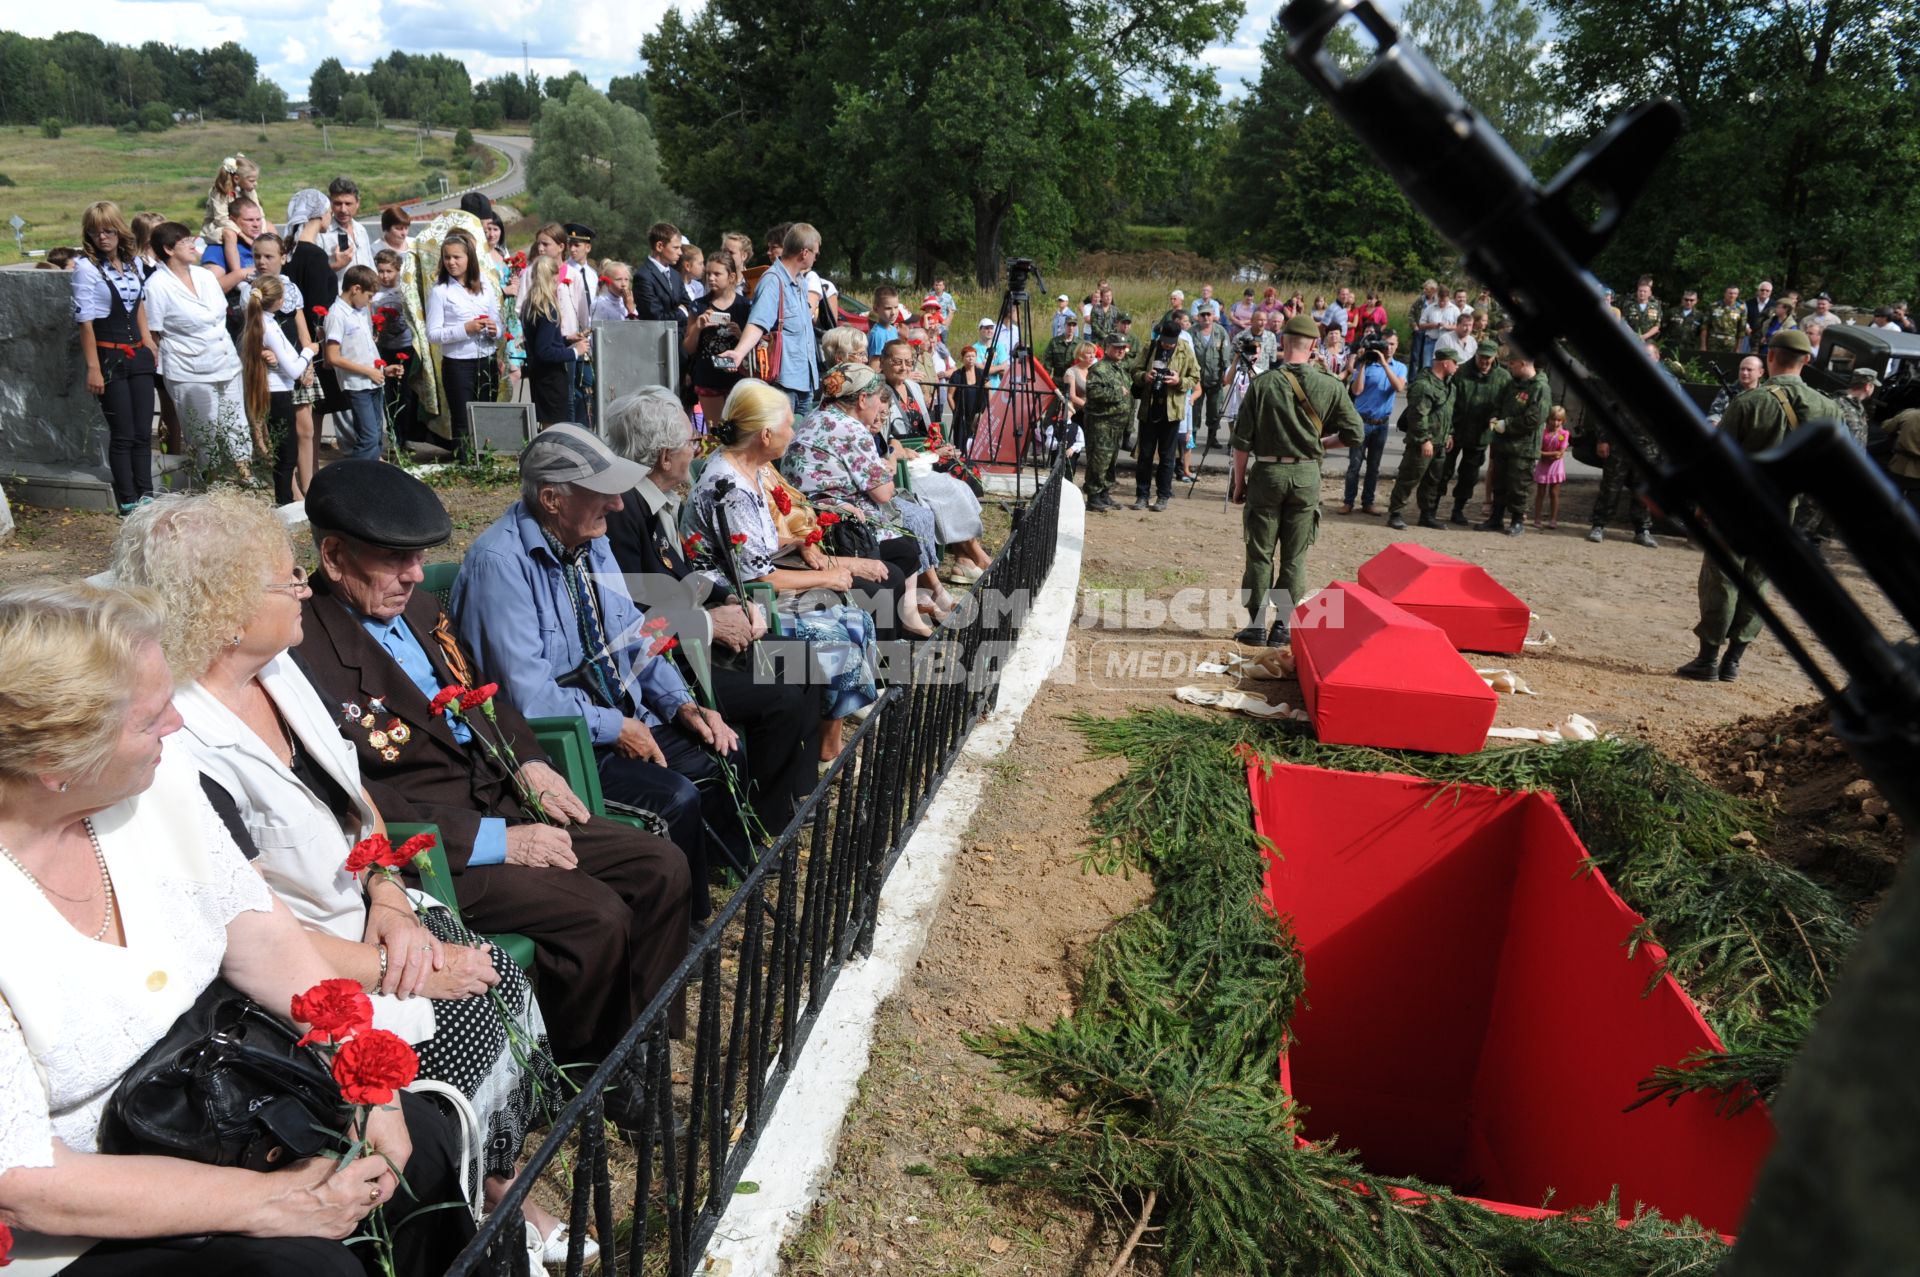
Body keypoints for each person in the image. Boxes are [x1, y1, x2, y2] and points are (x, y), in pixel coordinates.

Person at [109, 492, 585, 1264]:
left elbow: (358, 795)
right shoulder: (182, 742)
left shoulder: (278, 672)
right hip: (307, 972)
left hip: (370, 913)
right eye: (285, 579)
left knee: (502, 988)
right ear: (225, 611)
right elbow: (252, 931)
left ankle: (495, 1188)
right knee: (472, 1020)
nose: (304, 588)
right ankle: (467, 1210)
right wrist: (406, 964)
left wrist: (393, 896)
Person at [0, 582, 473, 1277]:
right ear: (56, 764)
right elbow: (22, 1181)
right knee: (304, 1268)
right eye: (152, 716)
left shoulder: (158, 788)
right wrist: (271, 1201)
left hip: (223, 1095)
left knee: (420, 1145)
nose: (177, 727)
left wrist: (367, 1086)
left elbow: (272, 946)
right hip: (85, 1216)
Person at [293, 461, 692, 1066]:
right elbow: (354, 794)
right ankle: (592, 1070)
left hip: (505, 794)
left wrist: (530, 761)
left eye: (420, 557)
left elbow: (487, 695)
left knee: (661, 865)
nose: (415, 575)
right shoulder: (306, 653)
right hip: (439, 847)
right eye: (394, 560)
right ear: (334, 557)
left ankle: (643, 1032)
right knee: (597, 915)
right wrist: (498, 840)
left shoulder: (421, 610)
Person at [455, 427, 751, 920]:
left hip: (614, 714)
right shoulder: (499, 564)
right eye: (603, 493)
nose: (617, 505)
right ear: (552, 499)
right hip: (562, 744)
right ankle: (689, 924)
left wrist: (681, 702)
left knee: (723, 749)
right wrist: (618, 728)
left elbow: (635, 635)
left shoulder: (590, 542)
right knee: (673, 797)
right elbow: (526, 698)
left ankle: (723, 883)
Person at [601, 388, 820, 826]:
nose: (698, 449)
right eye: (690, 442)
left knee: (806, 664)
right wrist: (707, 622)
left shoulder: (655, 502)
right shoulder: (622, 512)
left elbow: (680, 576)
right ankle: (763, 823)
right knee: (778, 700)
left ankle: (796, 796)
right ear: (665, 457)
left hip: (689, 646)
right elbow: (627, 616)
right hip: (667, 668)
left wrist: (730, 599)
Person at [687, 379, 882, 761]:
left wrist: (803, 544)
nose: (793, 432)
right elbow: (756, 577)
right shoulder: (729, 486)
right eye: (788, 425)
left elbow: (762, 546)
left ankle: (827, 740)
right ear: (764, 434)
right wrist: (827, 576)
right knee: (836, 638)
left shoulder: (755, 472)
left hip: (756, 590)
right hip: (741, 605)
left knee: (859, 621)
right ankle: (826, 751)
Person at [1677, 328, 1842, 682]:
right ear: (1807, 361)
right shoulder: (1827, 407)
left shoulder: (1749, 402)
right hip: (1786, 510)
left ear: (1769, 357)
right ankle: (1734, 660)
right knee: (1760, 583)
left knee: (1722, 579)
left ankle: (1707, 659)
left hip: (1735, 506)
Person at [1230, 313, 1363, 647]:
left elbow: (1241, 442)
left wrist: (1238, 484)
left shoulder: (1263, 384)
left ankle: (1257, 625)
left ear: (1284, 343)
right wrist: (1322, 444)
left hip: (1268, 474)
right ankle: (1283, 627)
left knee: (1260, 552)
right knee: (1295, 554)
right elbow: (1354, 434)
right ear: (1314, 345)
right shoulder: (1330, 384)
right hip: (1305, 474)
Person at [783, 363, 939, 638]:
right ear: (862, 399)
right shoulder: (850, 428)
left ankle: (903, 619)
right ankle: (891, 629)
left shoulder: (816, 417)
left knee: (904, 547)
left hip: (808, 517)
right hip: (835, 526)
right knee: (904, 549)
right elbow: (882, 492)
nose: (881, 405)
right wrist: (887, 467)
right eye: (879, 397)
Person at [876, 339, 994, 578]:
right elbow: (882, 439)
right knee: (951, 490)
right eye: (897, 362)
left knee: (963, 480)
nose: (903, 367)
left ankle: (963, 558)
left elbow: (929, 427)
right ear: (884, 361)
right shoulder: (879, 391)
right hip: (902, 465)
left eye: (909, 362)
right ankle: (977, 555)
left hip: (925, 459)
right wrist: (927, 451)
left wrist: (940, 446)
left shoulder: (914, 387)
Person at [142, 220, 250, 477]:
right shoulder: (156, 286)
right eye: (185, 242)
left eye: (191, 240)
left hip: (225, 360)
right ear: (169, 250)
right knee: (204, 428)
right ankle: (210, 479)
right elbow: (154, 332)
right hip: (189, 368)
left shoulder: (205, 276)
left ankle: (245, 474)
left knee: (236, 421)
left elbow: (219, 313)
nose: (193, 246)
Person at [72, 200, 158, 514]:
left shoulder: (132, 262)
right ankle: (128, 497)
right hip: (109, 357)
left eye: (108, 230)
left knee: (141, 430)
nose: (103, 237)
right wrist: (93, 368)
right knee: (122, 432)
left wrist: (148, 340)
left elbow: (139, 306)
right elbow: (85, 322)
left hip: (138, 353)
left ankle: (146, 492)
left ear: (119, 231)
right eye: (96, 232)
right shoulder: (85, 267)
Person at [722, 223, 821, 415]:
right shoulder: (772, 281)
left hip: (804, 381)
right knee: (780, 442)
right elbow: (758, 322)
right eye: (816, 253)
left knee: (798, 442)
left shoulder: (799, 281)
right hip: (783, 383)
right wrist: (739, 353)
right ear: (804, 253)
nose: (816, 258)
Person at [426, 230, 502, 462]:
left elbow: (497, 320)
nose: (451, 262)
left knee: (486, 411)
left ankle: (486, 458)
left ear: (469, 258)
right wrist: (464, 329)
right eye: (447, 257)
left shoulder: (485, 286)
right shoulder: (440, 292)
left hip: (485, 357)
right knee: (463, 415)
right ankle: (467, 461)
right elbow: (433, 334)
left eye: (457, 257)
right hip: (458, 363)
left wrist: (493, 329)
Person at [241, 275, 315, 504]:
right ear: (279, 301)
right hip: (277, 392)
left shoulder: (268, 321)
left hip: (280, 389)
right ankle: (283, 500)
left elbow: (288, 357)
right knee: (287, 454)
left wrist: (300, 360)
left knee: (286, 451)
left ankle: (284, 499)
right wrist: (310, 351)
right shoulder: (267, 326)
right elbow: (293, 369)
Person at [1587, 341, 1664, 548]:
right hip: (1620, 444)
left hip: (1648, 448)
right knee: (1610, 487)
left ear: (1657, 358)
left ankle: (1642, 530)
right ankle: (1598, 525)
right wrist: (1602, 439)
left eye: (1650, 355)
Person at [1383, 335, 1459, 530]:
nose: (1457, 366)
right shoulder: (1423, 385)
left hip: (1440, 442)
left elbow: (1447, 413)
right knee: (1409, 477)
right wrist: (1424, 440)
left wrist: (1449, 433)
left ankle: (1427, 514)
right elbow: (1417, 416)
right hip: (1422, 442)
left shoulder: (1450, 385)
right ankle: (1396, 513)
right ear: (1444, 363)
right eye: (1455, 362)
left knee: (1433, 480)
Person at [1477, 346, 1552, 536]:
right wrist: (1495, 420)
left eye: (1512, 363)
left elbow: (1534, 419)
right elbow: (1498, 404)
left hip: (1524, 448)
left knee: (1520, 486)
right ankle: (1496, 519)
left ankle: (1518, 521)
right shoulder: (1512, 385)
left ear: (1523, 363)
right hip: (1503, 444)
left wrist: (1506, 424)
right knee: (1499, 483)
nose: (1509, 367)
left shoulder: (1540, 388)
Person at [1131, 316, 1202, 512]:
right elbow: (1134, 371)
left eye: (1170, 343)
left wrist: (1179, 381)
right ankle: (1142, 495)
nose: (1167, 346)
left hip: (1172, 411)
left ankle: (1163, 495)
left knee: (1167, 456)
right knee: (1145, 455)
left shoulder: (1185, 349)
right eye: (1164, 342)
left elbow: (1195, 377)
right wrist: (1145, 376)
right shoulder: (1150, 347)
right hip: (1149, 408)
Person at [1435, 342, 1508, 525]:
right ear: (1476, 354)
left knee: (1469, 476)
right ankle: (1432, 507)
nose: (1484, 361)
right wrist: (1448, 431)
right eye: (1481, 356)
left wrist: (1496, 421)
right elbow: (1448, 402)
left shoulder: (1503, 377)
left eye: (1488, 357)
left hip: (1480, 436)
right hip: (1456, 431)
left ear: (1494, 357)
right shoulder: (1460, 372)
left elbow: (1505, 407)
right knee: (1442, 470)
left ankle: (1458, 509)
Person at [325, 265, 388, 463]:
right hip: (357, 384)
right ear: (356, 289)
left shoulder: (359, 311)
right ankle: (355, 477)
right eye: (369, 296)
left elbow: (365, 349)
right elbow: (333, 357)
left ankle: (372, 476)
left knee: (377, 434)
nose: (370, 302)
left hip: (373, 380)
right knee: (368, 437)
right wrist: (368, 371)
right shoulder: (337, 315)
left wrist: (383, 369)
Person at [519, 255, 591, 426]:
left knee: (547, 424)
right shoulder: (547, 308)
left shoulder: (530, 304)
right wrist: (575, 351)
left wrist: (567, 339)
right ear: (553, 277)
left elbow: (543, 341)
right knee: (554, 427)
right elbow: (544, 351)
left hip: (539, 376)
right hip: (551, 379)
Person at [1341, 328, 1406, 515]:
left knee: (1374, 466)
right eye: (1385, 344)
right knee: (1354, 464)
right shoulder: (1367, 364)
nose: (1388, 348)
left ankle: (1368, 502)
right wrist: (1362, 364)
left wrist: (1385, 364)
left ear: (1397, 345)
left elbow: (1399, 387)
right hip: (1361, 421)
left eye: (1392, 344)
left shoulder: (1400, 367)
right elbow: (1357, 391)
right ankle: (1348, 501)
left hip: (1381, 424)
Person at [684, 253, 750, 426]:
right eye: (708, 274)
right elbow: (689, 348)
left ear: (732, 277)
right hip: (708, 376)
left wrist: (740, 335)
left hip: (738, 378)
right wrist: (697, 327)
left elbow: (755, 344)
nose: (711, 278)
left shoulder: (745, 306)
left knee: (739, 433)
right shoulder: (699, 305)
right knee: (716, 435)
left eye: (717, 274)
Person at [1080, 335, 1133, 513]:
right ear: (1107, 347)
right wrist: (1118, 392)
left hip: (1116, 424)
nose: (1120, 350)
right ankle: (1093, 496)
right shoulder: (1099, 368)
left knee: (1110, 461)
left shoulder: (1120, 368)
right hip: (1101, 423)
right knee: (1099, 460)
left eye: (1123, 347)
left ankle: (1104, 492)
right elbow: (1094, 391)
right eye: (1116, 347)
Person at [200, 152, 261, 247]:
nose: (255, 184)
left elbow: (257, 210)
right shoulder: (220, 192)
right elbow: (221, 219)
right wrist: (244, 236)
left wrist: (263, 232)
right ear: (236, 179)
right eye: (251, 181)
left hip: (241, 223)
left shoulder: (249, 190)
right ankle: (234, 262)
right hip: (218, 227)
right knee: (230, 234)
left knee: (269, 226)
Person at [636, 221, 690, 326]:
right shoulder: (643, 277)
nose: (680, 252)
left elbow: (689, 304)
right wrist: (682, 312)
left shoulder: (675, 275)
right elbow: (656, 318)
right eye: (676, 247)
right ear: (660, 246)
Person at [324, 178, 375, 285]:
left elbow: (370, 265)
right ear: (330, 204)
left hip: (365, 298)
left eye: (348, 204)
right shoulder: (323, 233)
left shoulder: (361, 230)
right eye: (338, 203)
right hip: (337, 298)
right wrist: (336, 266)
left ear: (357, 203)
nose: (343, 209)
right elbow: (313, 272)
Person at [1191, 307, 1229, 450]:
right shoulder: (1192, 332)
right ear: (1198, 316)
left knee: (1214, 410)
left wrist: (1226, 372)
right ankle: (1192, 436)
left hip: (1215, 378)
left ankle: (1212, 438)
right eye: (1203, 315)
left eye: (1209, 314)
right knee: (1194, 410)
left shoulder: (1221, 332)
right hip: (1196, 380)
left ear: (1213, 316)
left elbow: (1225, 355)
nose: (1206, 317)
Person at [1532, 404, 1571, 528]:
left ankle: (1553, 519)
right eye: (1553, 419)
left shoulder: (1564, 434)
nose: (1555, 422)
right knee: (1540, 492)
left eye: (1559, 420)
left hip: (1556, 467)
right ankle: (1537, 518)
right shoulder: (1542, 433)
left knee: (1554, 493)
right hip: (1543, 466)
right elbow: (1537, 451)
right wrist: (1552, 453)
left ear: (1563, 421)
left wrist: (1547, 454)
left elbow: (1560, 453)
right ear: (1548, 419)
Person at [591, 259, 640, 325]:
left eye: (626, 279)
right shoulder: (600, 304)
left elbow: (637, 328)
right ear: (608, 283)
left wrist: (630, 309)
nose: (624, 284)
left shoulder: (627, 302)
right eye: (618, 279)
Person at [1664, 289, 1706, 360]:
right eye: (1686, 300)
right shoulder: (1671, 312)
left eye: (1691, 300)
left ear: (1696, 301)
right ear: (1682, 300)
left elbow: (1702, 332)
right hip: (1671, 347)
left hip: (1690, 349)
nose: (1688, 302)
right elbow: (1663, 328)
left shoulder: (1700, 316)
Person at [1706, 285, 1748, 352]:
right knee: (1712, 362)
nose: (1732, 295)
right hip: (1714, 341)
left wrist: (1738, 348)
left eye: (1735, 294)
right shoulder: (1713, 306)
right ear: (1725, 294)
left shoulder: (1741, 309)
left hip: (1731, 344)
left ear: (1737, 295)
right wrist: (1703, 345)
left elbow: (1741, 330)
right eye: (1730, 293)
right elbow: (1705, 326)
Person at [1626, 276, 1661, 343]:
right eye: (1640, 291)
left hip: (1649, 341)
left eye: (1645, 292)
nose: (1642, 293)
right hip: (1631, 339)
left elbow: (1657, 325)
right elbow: (1624, 321)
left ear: (1650, 293)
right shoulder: (1629, 305)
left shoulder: (1656, 306)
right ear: (1637, 292)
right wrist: (1634, 335)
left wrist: (1644, 336)